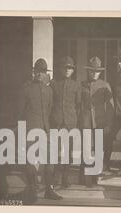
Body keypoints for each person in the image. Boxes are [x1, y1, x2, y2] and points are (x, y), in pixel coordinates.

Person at [17, 58, 63, 203]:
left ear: (45, 74)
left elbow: (49, 110)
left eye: (42, 72)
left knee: (50, 160)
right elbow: (20, 111)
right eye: (37, 71)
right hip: (30, 130)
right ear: (33, 72)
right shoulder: (26, 88)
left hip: (46, 129)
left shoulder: (48, 90)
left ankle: (49, 189)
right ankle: (32, 190)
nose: (39, 74)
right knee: (30, 161)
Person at [78, 56, 115, 187]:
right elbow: (78, 105)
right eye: (92, 71)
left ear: (100, 72)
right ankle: (84, 177)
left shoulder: (105, 85)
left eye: (97, 71)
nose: (94, 73)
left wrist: (109, 124)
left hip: (100, 122)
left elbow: (110, 107)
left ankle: (95, 177)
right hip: (86, 122)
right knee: (86, 149)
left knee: (98, 150)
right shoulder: (81, 85)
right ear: (88, 71)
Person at [50, 56, 82, 188]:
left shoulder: (76, 85)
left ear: (73, 70)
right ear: (61, 69)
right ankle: (55, 176)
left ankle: (65, 178)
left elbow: (78, 105)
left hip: (70, 122)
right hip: (56, 121)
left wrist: (75, 122)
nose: (67, 70)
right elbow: (50, 103)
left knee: (68, 151)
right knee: (56, 150)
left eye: (70, 68)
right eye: (65, 68)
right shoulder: (53, 83)